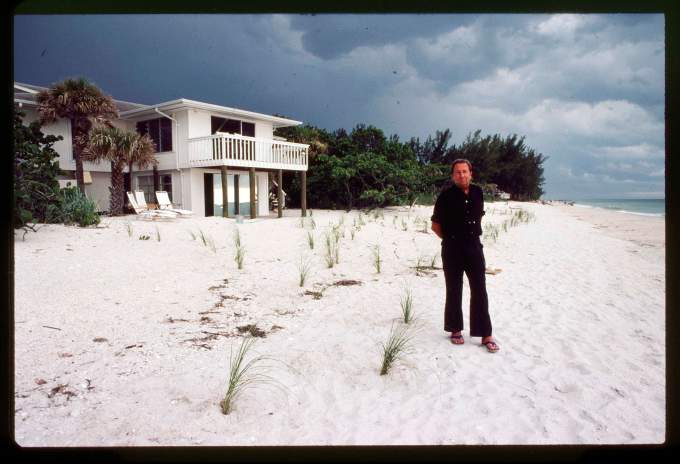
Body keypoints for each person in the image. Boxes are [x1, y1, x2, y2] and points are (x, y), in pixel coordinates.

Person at [430, 159, 499, 353]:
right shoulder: (445, 196)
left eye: (465, 171)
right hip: (452, 249)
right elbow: (435, 226)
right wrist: (452, 239)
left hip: (475, 248)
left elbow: (478, 217)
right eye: (458, 172)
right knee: (454, 289)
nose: (462, 175)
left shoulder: (478, 192)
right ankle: (455, 330)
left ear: (471, 173)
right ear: (453, 176)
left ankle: (486, 334)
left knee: (480, 289)